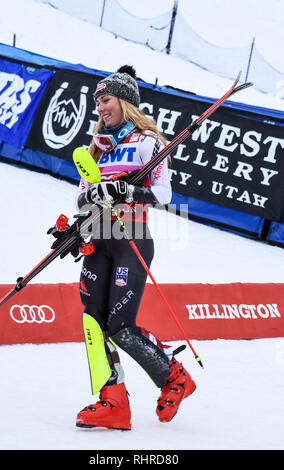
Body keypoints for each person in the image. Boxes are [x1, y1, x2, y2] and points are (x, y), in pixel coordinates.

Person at [74, 65, 196, 430]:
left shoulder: (147, 141)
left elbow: (163, 194)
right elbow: (81, 195)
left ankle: (174, 376)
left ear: (124, 102)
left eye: (105, 100)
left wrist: (126, 190)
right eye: (97, 102)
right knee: (93, 320)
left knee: (120, 325)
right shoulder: (97, 147)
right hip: (97, 238)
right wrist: (79, 216)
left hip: (131, 238)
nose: (100, 108)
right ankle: (113, 402)